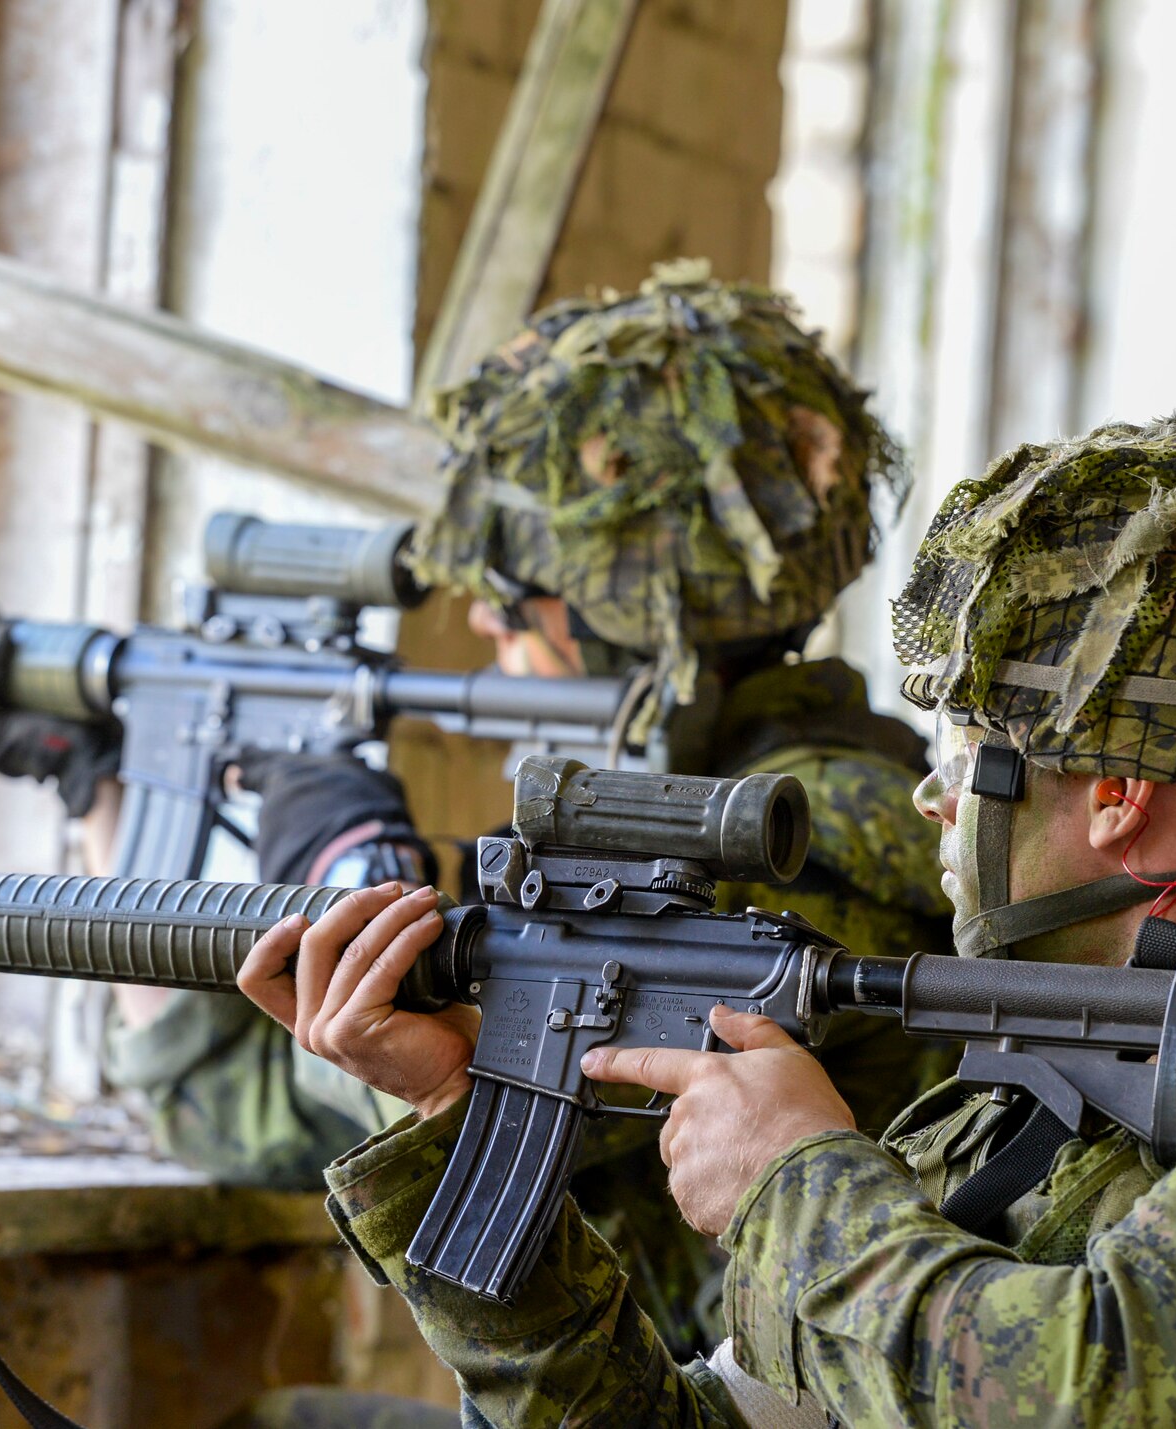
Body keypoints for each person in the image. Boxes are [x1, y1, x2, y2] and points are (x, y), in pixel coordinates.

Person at [243, 415, 1176, 1426]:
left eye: (970, 759)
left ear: (1119, 800)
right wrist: (451, 1120)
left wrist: (792, 1183)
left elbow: (1115, 1394)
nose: (930, 794)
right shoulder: (1027, 1100)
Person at [103, 260, 956, 1362]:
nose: (486, 627)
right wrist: (116, 791)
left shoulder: (723, 867)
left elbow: (273, 1112)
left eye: (514, 602)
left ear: (625, 624)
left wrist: (333, 855)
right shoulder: (850, 785)